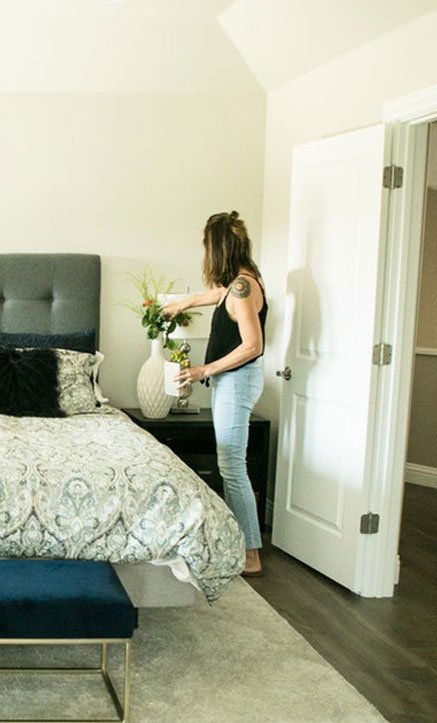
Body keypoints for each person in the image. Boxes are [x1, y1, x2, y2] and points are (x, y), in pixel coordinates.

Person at [164, 210, 268, 576]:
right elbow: (219, 294)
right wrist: (184, 303)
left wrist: (202, 371)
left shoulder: (242, 287)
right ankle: (243, 546)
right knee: (230, 464)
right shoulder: (240, 282)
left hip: (237, 382)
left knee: (232, 467)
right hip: (233, 382)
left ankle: (251, 554)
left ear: (217, 249)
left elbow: (253, 345)